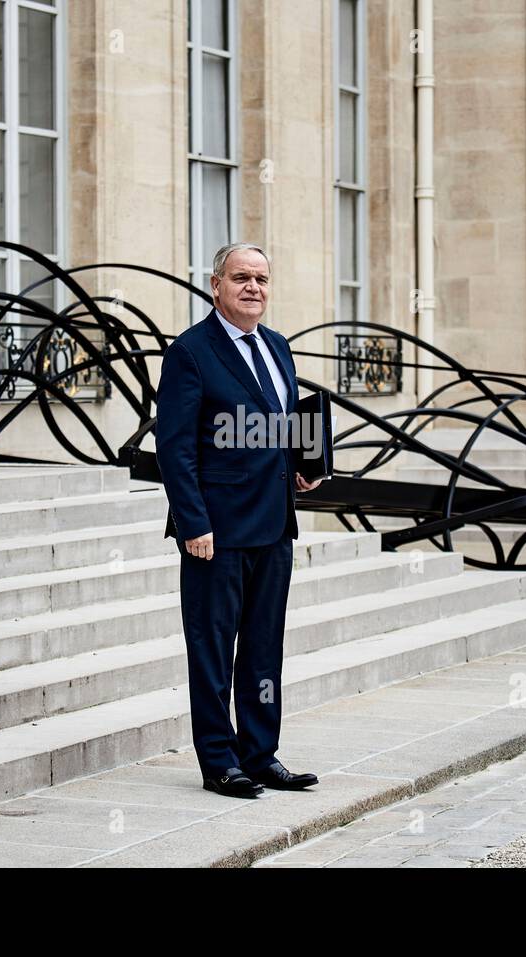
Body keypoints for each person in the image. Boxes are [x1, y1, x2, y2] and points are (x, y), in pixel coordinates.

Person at [154, 242, 322, 798]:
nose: (253, 287)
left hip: (274, 525)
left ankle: (261, 752)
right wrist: (192, 522)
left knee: (263, 647)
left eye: (262, 279)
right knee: (212, 648)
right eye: (241, 277)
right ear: (216, 285)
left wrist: (302, 466)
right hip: (216, 533)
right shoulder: (191, 352)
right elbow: (175, 449)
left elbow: (280, 425)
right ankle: (219, 762)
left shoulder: (277, 347)